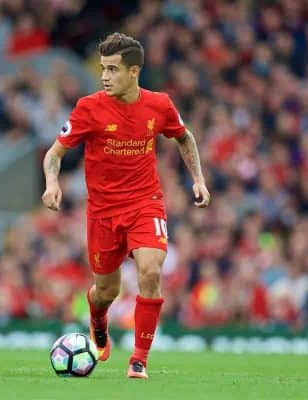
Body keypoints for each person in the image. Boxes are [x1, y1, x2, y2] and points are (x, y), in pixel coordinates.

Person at [41, 32, 210, 379]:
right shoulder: (88, 108)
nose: (104, 76)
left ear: (134, 72)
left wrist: (198, 178)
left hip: (144, 203)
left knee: (150, 271)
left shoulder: (159, 105)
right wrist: (52, 183)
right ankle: (98, 320)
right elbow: (54, 153)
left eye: (113, 69)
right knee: (107, 291)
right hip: (102, 213)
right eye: (103, 68)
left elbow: (184, 136)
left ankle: (139, 359)